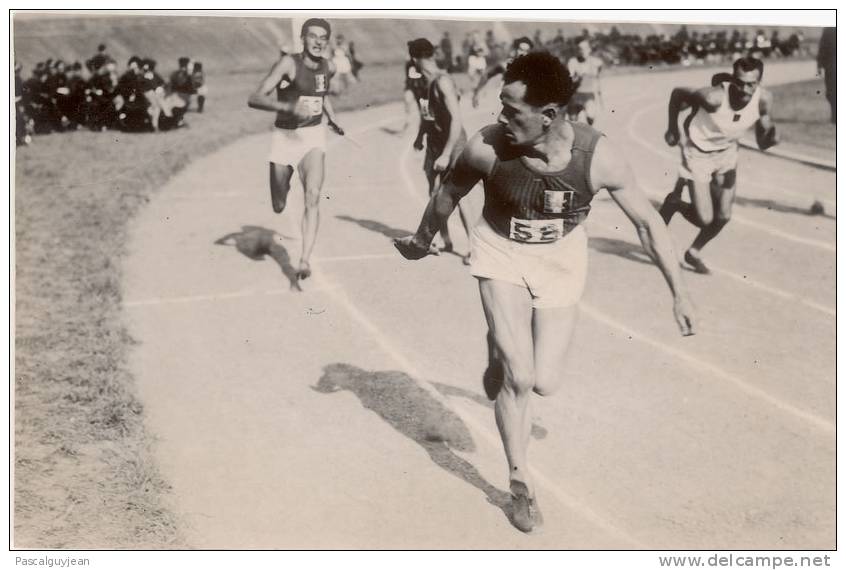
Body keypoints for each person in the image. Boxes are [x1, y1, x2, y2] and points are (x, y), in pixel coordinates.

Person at [394, 52, 696, 533]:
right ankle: (520, 484)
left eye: (513, 112)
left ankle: (500, 346)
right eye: (501, 108)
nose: (500, 119)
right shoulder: (487, 148)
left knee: (545, 382)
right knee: (519, 375)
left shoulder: (598, 157)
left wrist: (678, 293)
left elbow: (648, 222)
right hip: (500, 252)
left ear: (550, 114)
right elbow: (448, 194)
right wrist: (423, 238)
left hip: (561, 257)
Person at [659, 56, 778, 274]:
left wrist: (770, 137)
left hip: (727, 153)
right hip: (699, 153)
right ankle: (674, 203)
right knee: (705, 218)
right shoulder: (713, 98)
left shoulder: (764, 100)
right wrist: (672, 128)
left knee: (723, 216)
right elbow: (677, 93)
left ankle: (693, 252)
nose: (744, 89)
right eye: (739, 82)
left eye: (751, 84)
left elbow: (762, 143)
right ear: (732, 79)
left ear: (759, 83)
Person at [247, 17, 344, 283]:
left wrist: (332, 117)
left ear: (327, 41)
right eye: (312, 36)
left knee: (313, 195)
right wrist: (288, 108)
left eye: (323, 37)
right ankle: (284, 182)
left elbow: (320, 97)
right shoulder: (289, 63)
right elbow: (255, 97)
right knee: (279, 205)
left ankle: (303, 259)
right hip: (284, 138)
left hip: (313, 137)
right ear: (302, 38)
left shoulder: (329, 67)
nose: (318, 41)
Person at [407, 38, 474, 263]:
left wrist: (447, 153)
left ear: (414, 59)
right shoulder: (423, 84)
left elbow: (456, 119)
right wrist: (419, 138)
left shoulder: (442, 81)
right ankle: (446, 239)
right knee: (433, 192)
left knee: (457, 194)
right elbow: (427, 116)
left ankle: (474, 247)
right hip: (434, 142)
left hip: (453, 143)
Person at [471, 37, 533, 108]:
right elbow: (487, 75)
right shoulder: (506, 65)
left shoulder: (531, 68)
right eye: (521, 50)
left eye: (526, 51)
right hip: (509, 104)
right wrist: (476, 93)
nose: (523, 53)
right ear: (515, 49)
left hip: (525, 106)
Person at [566, 38, 603, 125]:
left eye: (585, 48)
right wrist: (577, 78)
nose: (582, 51)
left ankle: (587, 134)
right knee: (573, 123)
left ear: (589, 49)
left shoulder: (596, 62)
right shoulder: (573, 61)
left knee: (590, 117)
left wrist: (598, 90)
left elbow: (598, 73)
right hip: (575, 96)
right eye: (580, 48)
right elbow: (570, 78)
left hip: (588, 95)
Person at [817, 27, 835, 124]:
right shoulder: (829, 29)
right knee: (831, 93)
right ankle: (835, 116)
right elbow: (822, 48)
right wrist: (819, 66)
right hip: (831, 66)